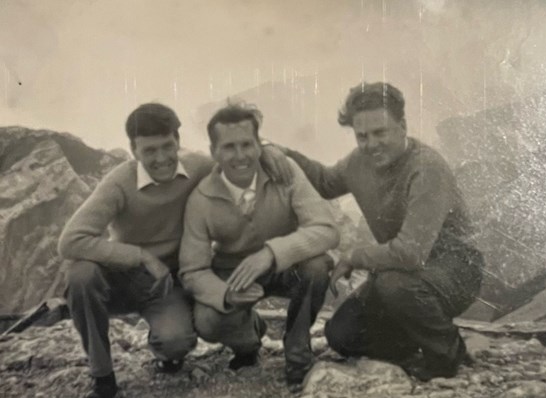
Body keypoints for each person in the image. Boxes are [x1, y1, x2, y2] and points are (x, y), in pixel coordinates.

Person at [58, 103, 291, 398]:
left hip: (171, 282)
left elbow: (235, 157)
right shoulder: (118, 183)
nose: (162, 158)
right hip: (127, 277)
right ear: (133, 150)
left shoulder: (197, 167)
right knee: (80, 273)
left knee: (176, 342)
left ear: (178, 142)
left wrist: (269, 149)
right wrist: (140, 256)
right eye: (149, 151)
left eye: (167, 147)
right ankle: (102, 375)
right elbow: (70, 240)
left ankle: (236, 332)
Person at [278, 82, 484, 381]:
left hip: (454, 269)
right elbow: (325, 182)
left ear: (402, 126)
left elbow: (411, 253)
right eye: (362, 136)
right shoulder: (359, 161)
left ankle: (446, 356)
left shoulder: (427, 169)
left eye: (380, 132)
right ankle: (418, 342)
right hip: (399, 271)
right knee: (341, 335)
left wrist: (354, 256)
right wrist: (285, 153)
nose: (371, 143)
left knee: (393, 286)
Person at [178, 103, 339, 388]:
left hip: (286, 266)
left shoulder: (285, 172)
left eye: (247, 144)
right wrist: (224, 295)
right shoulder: (201, 199)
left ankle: (298, 350)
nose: (240, 156)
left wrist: (272, 253)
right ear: (214, 151)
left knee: (316, 266)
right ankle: (248, 341)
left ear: (259, 145)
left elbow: (326, 229)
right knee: (207, 320)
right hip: (234, 274)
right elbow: (192, 270)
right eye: (229, 147)